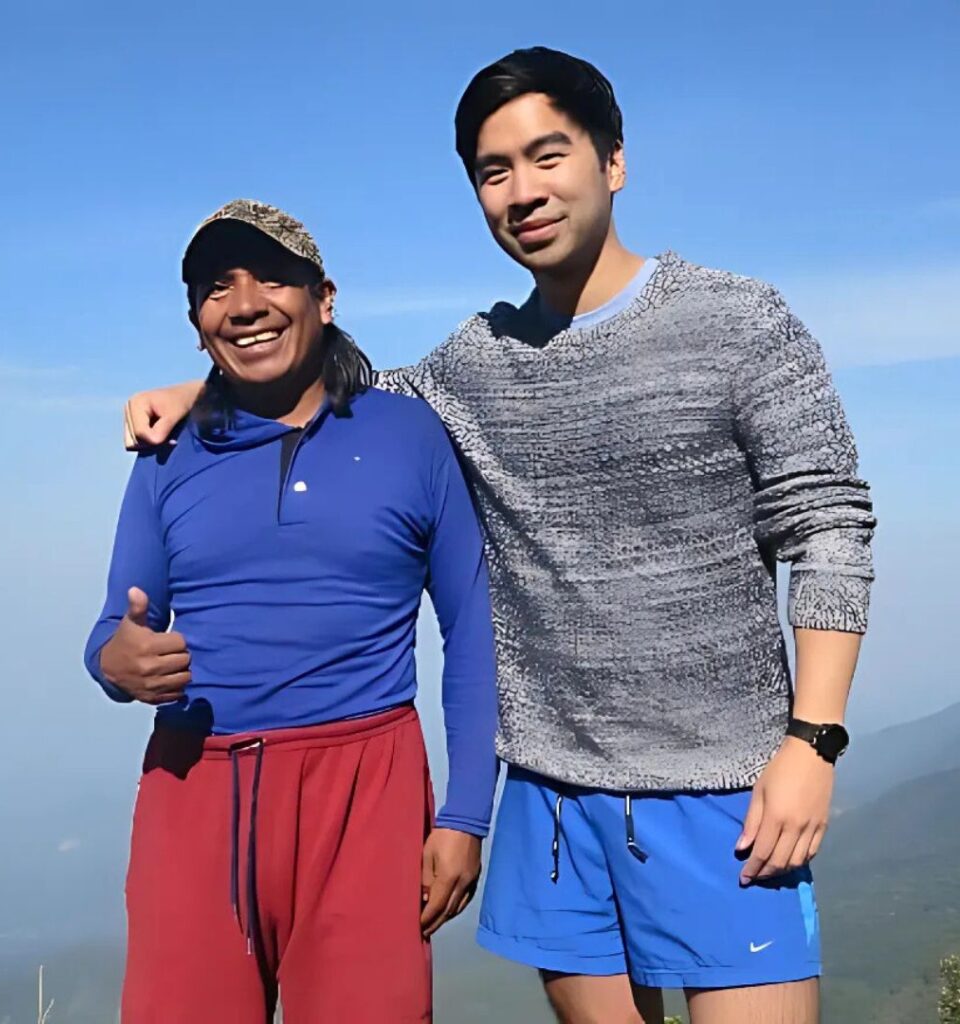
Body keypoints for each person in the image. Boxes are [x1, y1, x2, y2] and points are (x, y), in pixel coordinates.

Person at [123, 49, 875, 1024]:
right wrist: (211, 388)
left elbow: (827, 527)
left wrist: (811, 743)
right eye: (492, 171)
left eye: (547, 155)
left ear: (612, 161)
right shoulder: (476, 362)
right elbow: (355, 396)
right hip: (551, 797)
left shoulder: (736, 321)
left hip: (725, 788)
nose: (522, 192)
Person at [86, 199, 498, 1024]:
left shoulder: (409, 435)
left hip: (366, 790)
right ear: (197, 320)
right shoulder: (168, 451)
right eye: (215, 288)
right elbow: (112, 632)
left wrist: (463, 815)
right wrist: (116, 663)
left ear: (325, 297)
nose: (243, 304)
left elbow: (473, 626)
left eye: (272, 278)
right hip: (193, 787)